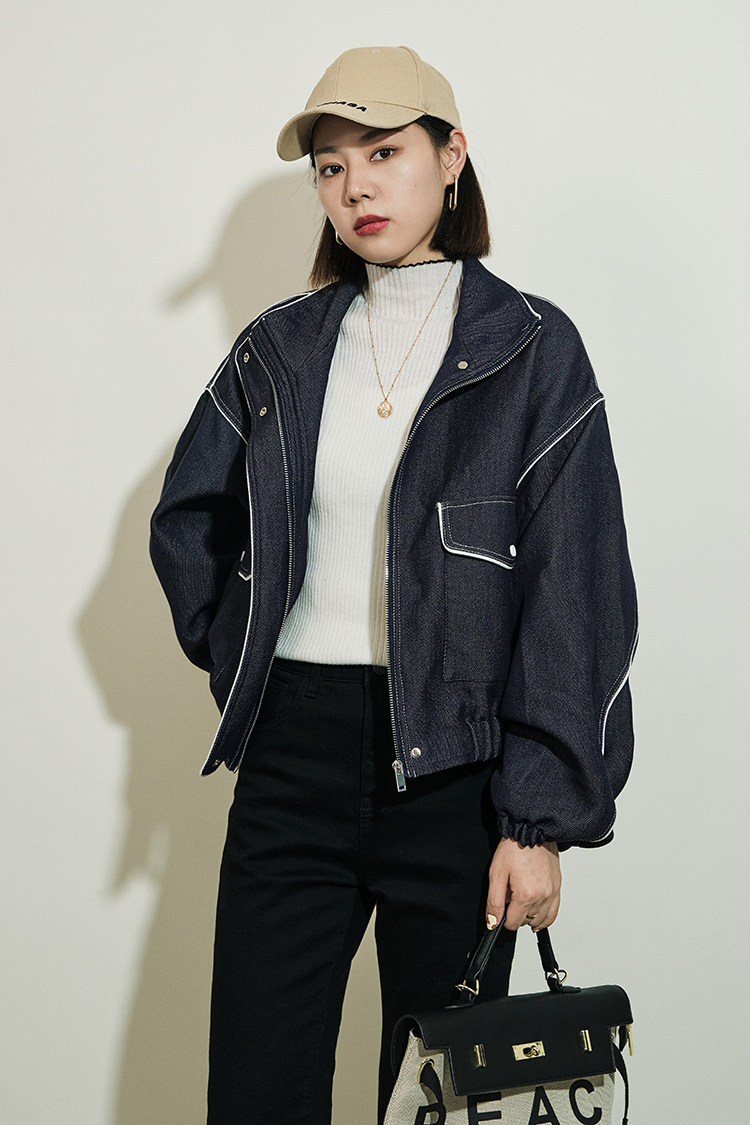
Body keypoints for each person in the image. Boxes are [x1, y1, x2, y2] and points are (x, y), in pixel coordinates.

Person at [150, 44, 638, 1125]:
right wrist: (248, 662)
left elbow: (578, 594)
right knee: (257, 1093)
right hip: (291, 765)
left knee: (440, 1105)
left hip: (459, 779)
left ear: (452, 155)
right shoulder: (279, 349)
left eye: (382, 152)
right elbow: (189, 525)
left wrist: (539, 820)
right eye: (330, 167)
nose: (355, 187)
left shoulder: (533, 350)